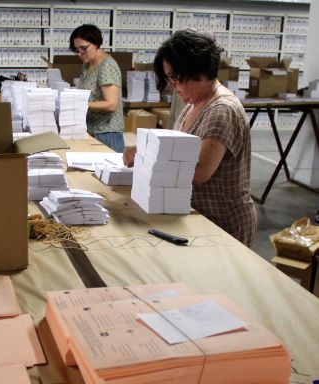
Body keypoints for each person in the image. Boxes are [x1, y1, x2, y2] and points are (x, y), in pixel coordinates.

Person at [124, 29, 257, 247]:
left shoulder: (221, 109)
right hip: (198, 217)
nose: (172, 85)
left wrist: (146, 159)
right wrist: (143, 152)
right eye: (169, 78)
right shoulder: (194, 103)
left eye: (176, 78)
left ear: (200, 71)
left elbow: (198, 172)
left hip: (222, 223)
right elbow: (175, 152)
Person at [69, 24, 125, 153]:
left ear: (96, 43)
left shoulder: (106, 66)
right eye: (77, 49)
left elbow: (111, 105)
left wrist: (80, 104)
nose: (80, 53)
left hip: (106, 134)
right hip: (92, 131)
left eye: (83, 48)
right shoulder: (87, 64)